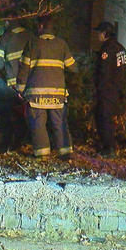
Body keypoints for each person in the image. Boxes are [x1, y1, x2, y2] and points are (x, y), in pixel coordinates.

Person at [16, 15, 78, 159]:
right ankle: (66, 153)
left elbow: (24, 68)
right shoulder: (62, 44)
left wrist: (20, 89)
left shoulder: (32, 44)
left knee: (38, 124)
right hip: (57, 95)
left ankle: (42, 155)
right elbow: (73, 67)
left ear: (41, 27)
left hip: (37, 95)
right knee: (60, 123)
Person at [93, 21, 126, 158]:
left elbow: (104, 72)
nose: (97, 35)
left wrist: (99, 89)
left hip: (107, 90)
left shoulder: (107, 49)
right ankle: (109, 146)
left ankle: (109, 148)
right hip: (116, 89)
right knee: (107, 117)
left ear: (105, 33)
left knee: (104, 118)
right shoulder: (120, 48)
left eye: (99, 32)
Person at [0, 15, 34, 88]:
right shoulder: (30, 35)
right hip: (31, 81)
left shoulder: (3, 39)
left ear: (7, 22)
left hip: (14, 84)